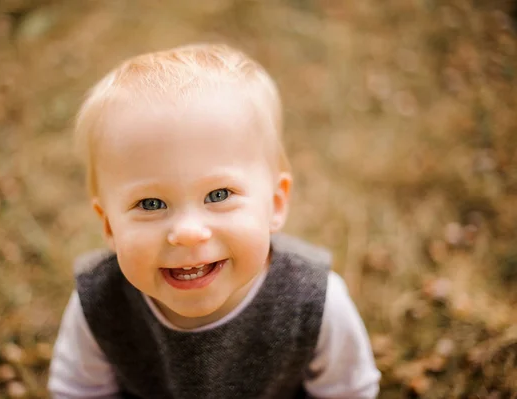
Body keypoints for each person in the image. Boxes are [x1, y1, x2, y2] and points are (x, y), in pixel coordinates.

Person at [48, 43, 380, 399]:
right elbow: (79, 391)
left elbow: (348, 391)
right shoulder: (99, 303)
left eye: (218, 195)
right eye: (151, 202)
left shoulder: (314, 301)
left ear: (275, 203)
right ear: (110, 226)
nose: (188, 233)